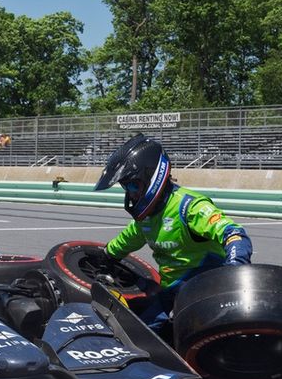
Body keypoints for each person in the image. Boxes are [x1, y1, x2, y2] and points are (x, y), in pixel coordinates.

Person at [93, 133, 252, 331]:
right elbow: (128, 239)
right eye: (126, 187)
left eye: (133, 185)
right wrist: (107, 256)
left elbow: (235, 234)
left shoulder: (189, 207)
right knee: (136, 331)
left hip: (205, 290)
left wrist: (234, 270)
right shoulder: (146, 217)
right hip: (169, 292)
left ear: (151, 176)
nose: (131, 194)